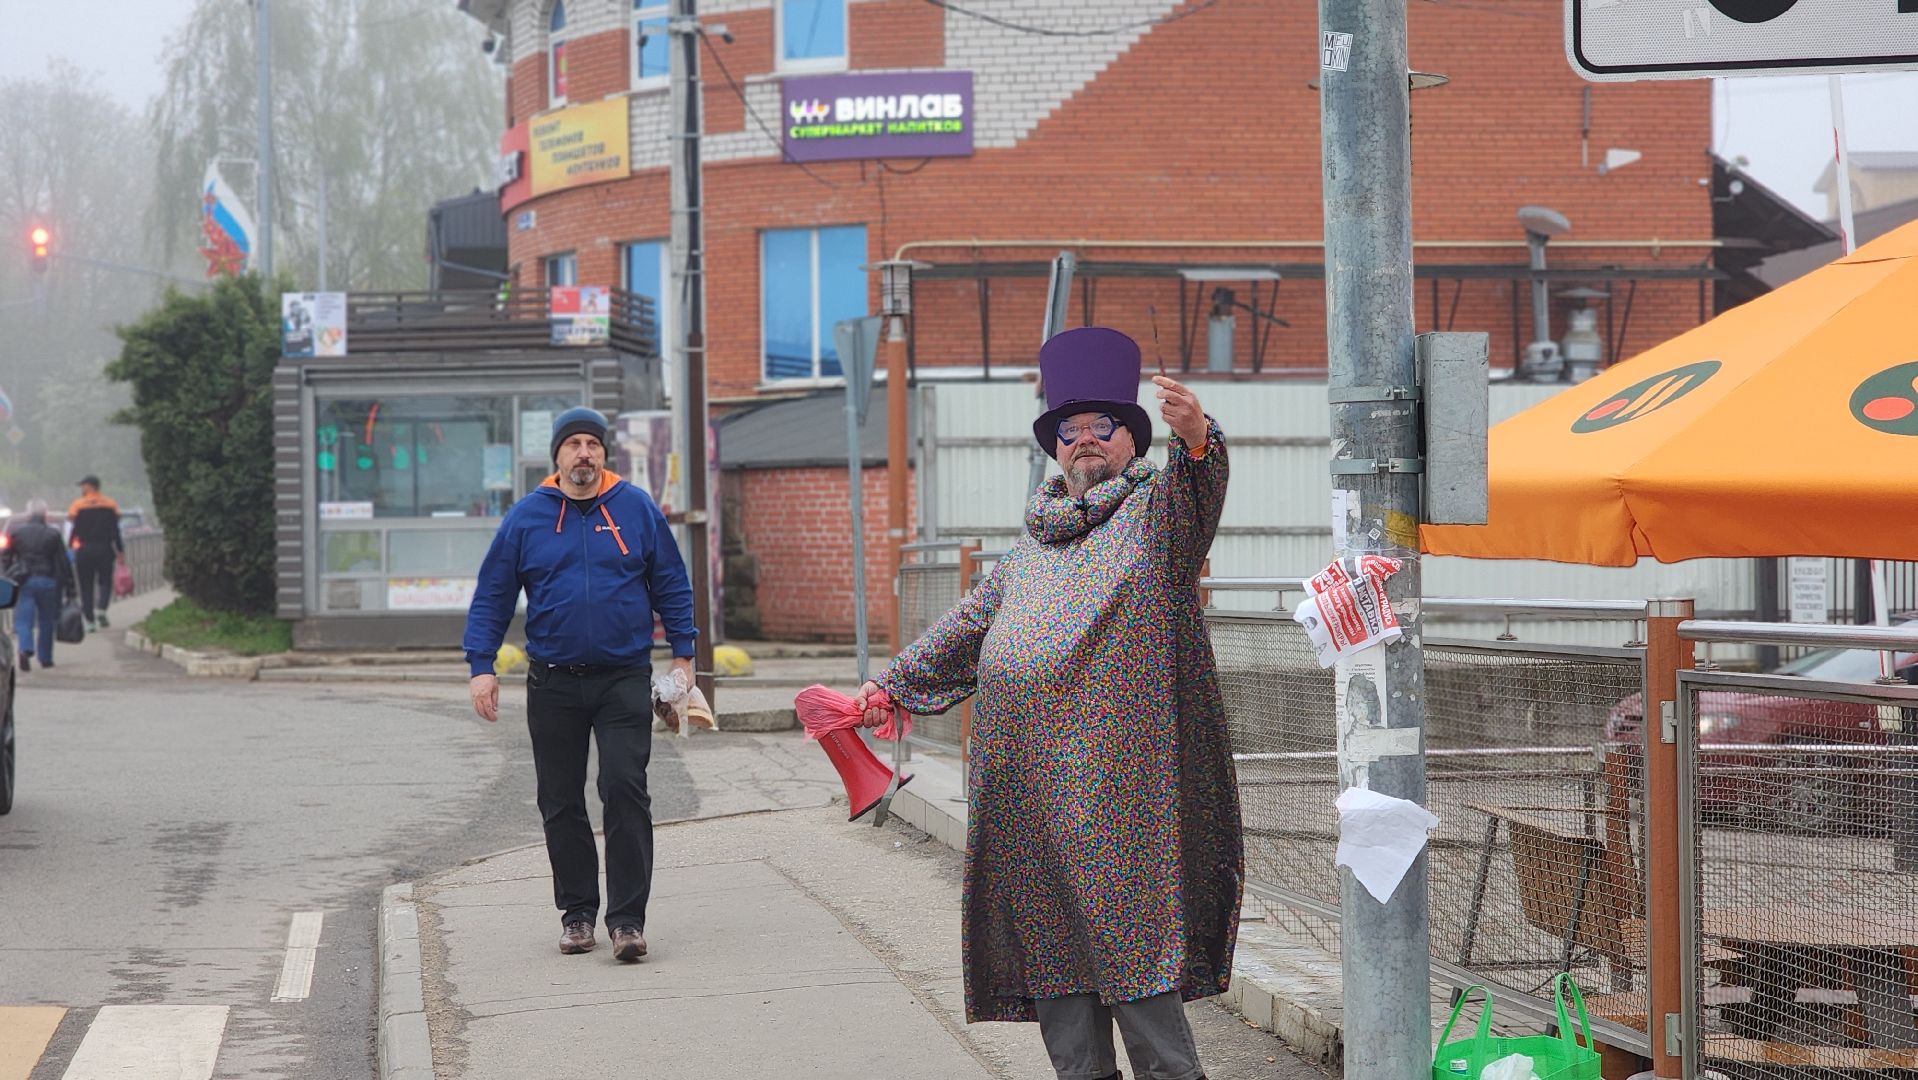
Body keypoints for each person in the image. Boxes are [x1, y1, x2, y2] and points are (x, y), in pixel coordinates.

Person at [855, 326, 1242, 1080]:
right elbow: (968, 625)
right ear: (1054, 447)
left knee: (1133, 958)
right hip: (1025, 796)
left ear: (1133, 438)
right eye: (1069, 430)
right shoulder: (1033, 540)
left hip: (1119, 800)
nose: (1085, 441)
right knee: (1058, 969)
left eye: (1103, 427)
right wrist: (889, 686)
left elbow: (1202, 487)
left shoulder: (1160, 515)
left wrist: (1199, 439)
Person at [463, 407, 697, 963]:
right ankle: (577, 915)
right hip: (553, 683)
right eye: (574, 445)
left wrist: (684, 658)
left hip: (622, 678)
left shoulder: (636, 508)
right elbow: (493, 595)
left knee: (624, 788)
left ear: (605, 455)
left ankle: (627, 923)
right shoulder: (527, 518)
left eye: (593, 444)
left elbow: (671, 582)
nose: (584, 453)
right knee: (560, 800)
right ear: (558, 456)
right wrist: (481, 665)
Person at [4, 500, 73, 671]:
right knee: (46, 621)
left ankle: (25, 649)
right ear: (45, 515)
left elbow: (6, 558)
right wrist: (70, 586)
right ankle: (46, 658)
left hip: (24, 581)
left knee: (23, 620)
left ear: (28, 514)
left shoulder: (17, 533)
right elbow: (63, 562)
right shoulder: (53, 534)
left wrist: (7, 576)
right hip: (47, 580)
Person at [66, 475, 124, 631]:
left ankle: (89, 621)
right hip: (105, 549)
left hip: (84, 550)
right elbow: (115, 530)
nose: (81, 489)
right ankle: (101, 608)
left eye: (83, 486)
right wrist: (120, 550)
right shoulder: (110, 504)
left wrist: (71, 546)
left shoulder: (77, 505)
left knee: (86, 585)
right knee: (105, 581)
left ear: (90, 486)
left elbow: (74, 528)